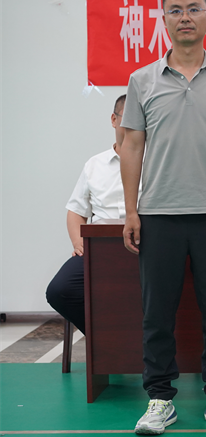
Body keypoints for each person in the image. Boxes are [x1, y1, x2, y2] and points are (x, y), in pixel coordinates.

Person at [120, 0, 206, 435]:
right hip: (159, 213)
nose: (185, 17)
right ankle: (159, 398)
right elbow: (132, 146)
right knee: (157, 313)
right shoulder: (142, 80)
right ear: (163, 19)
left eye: (194, 9)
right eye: (175, 10)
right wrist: (132, 210)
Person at [46, 94, 130, 335]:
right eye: (128, 118)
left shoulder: (160, 162)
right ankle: (107, 340)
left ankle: (141, 342)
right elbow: (76, 211)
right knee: (60, 290)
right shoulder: (95, 165)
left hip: (147, 246)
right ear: (114, 120)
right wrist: (78, 243)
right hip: (101, 248)